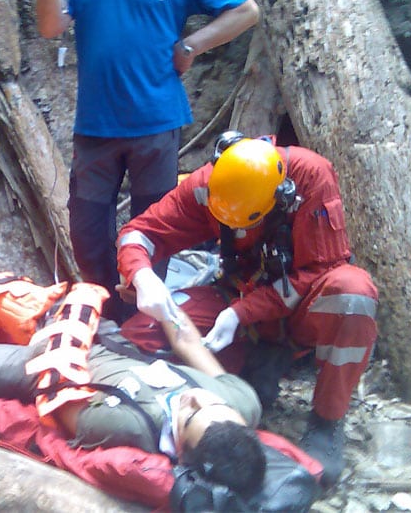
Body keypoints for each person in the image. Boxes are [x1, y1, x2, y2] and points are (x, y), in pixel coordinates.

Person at [36, 0, 261, 323]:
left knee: (154, 227)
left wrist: (193, 43)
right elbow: (51, 26)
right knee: (87, 228)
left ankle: (143, 319)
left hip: (157, 122)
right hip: (96, 122)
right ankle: (103, 311)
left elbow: (246, 10)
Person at [115, 132, 379, 485]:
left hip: (295, 309)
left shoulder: (310, 178)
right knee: (144, 332)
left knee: (352, 294)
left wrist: (242, 313)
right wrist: (142, 275)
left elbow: (319, 270)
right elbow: (140, 233)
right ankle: (246, 371)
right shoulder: (208, 185)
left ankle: (327, 421)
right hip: (236, 297)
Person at [0, 294, 268, 499]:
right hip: (105, 337)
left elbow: (54, 391)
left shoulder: (127, 427)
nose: (195, 396)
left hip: (50, 362)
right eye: (214, 403)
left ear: (181, 452)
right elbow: (189, 343)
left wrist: (63, 328)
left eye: (191, 414)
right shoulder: (242, 402)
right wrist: (160, 299)